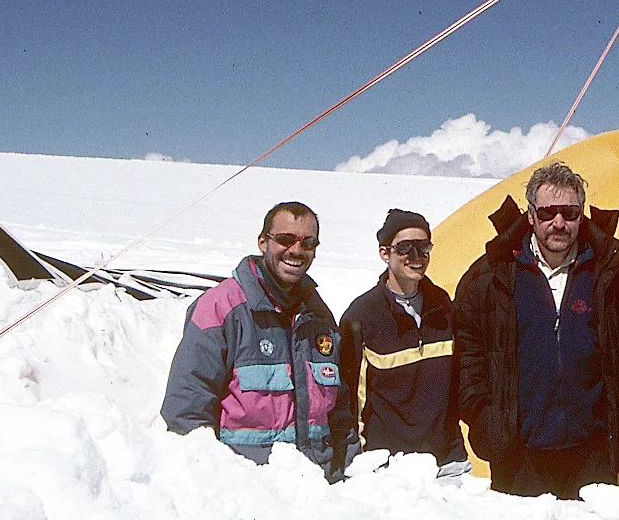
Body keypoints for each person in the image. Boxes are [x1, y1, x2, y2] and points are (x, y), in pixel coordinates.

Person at [453, 161, 619, 499]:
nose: (558, 223)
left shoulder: (614, 274)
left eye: (569, 212)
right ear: (530, 215)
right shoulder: (492, 275)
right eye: (547, 213)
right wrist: (486, 420)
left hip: (593, 454)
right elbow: (468, 357)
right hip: (518, 456)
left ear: (582, 214)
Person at [160, 201, 354, 481]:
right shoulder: (220, 309)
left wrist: (347, 473)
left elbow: (339, 413)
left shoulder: (318, 316)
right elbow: (186, 413)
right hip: (247, 493)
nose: (296, 251)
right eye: (285, 239)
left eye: (307, 243)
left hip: (318, 492)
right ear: (263, 242)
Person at [336, 209, 468, 474]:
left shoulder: (443, 306)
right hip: (388, 468)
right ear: (385, 254)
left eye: (423, 247)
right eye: (405, 248)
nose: (416, 257)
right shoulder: (362, 315)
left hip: (447, 462)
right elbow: (348, 397)